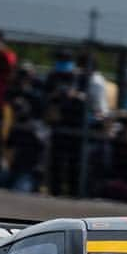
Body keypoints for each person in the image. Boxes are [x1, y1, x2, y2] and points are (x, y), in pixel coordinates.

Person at [0, 98, 45, 193]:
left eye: (18, 110)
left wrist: (39, 171)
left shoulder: (36, 128)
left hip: (29, 173)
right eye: (15, 110)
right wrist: (6, 163)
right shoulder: (15, 128)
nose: (16, 113)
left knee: (20, 191)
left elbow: (43, 152)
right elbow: (7, 149)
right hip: (14, 172)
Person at [43, 67, 87, 196]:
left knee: (74, 165)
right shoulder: (56, 96)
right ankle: (55, 191)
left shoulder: (80, 97)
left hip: (75, 134)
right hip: (59, 132)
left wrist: (74, 96)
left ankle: (74, 192)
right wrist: (56, 98)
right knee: (56, 163)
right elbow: (51, 116)